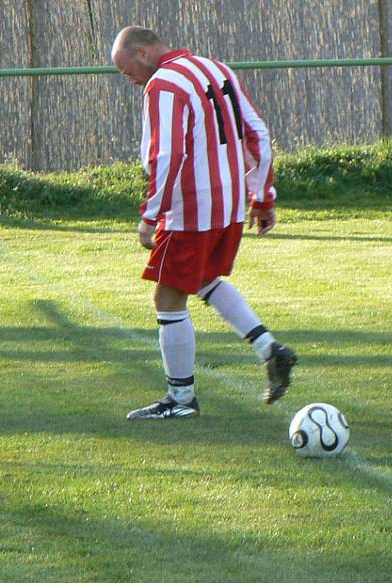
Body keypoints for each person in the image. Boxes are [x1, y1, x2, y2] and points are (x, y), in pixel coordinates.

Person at [111, 26, 297, 419]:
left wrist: (150, 213)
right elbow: (258, 133)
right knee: (199, 280)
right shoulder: (218, 69)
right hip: (228, 206)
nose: (128, 80)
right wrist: (262, 198)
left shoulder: (164, 84)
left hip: (190, 208)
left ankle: (180, 401)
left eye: (127, 71)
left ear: (142, 53)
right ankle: (271, 349)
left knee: (167, 297)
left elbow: (168, 154)